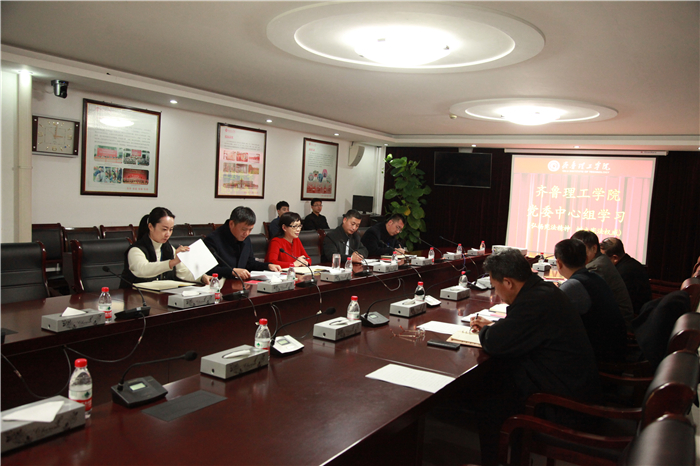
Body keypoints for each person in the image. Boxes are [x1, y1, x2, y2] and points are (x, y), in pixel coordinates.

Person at [469, 249, 600, 466]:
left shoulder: (534, 302)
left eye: (495, 285)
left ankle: (496, 460)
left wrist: (487, 331)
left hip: (564, 404)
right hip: (572, 384)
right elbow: (517, 329)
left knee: (489, 396)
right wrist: (494, 328)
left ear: (508, 282)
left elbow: (496, 342)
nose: (497, 293)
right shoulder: (541, 290)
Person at [554, 239, 627, 364]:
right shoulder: (594, 278)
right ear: (587, 259)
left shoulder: (573, 286)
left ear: (559, 263)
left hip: (599, 359)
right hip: (614, 350)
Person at [121, 207, 210, 288]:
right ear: (151, 227)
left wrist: (202, 277)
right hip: (135, 295)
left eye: (171, 229)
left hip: (162, 294)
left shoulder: (169, 248)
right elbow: (142, 269)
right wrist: (172, 262)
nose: (168, 234)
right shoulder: (136, 250)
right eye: (164, 229)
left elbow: (182, 272)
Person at [571, 230, 634, 329]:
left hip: (619, 323)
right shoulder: (600, 260)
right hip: (613, 318)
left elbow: (584, 296)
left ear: (594, 248)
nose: (578, 254)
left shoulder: (596, 267)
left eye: (582, 250)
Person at [204, 206, 282, 280]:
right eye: (244, 229)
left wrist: (267, 266)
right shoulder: (213, 240)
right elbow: (208, 270)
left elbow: (250, 263)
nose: (247, 233)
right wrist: (232, 271)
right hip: (221, 284)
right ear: (231, 224)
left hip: (241, 284)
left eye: (250, 230)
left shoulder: (245, 237)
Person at [600, 237, 652, 315]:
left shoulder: (624, 272)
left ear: (615, 258)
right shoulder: (629, 264)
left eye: (603, 258)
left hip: (634, 316)